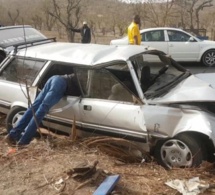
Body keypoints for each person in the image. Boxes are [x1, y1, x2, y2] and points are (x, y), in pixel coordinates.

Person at [5, 74, 81, 146]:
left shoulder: (82, 75)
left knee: (33, 108)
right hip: (60, 84)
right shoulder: (85, 78)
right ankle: (24, 141)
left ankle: (13, 134)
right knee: (40, 112)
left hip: (54, 78)